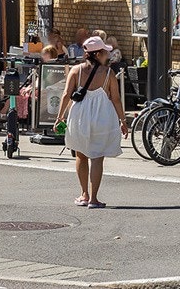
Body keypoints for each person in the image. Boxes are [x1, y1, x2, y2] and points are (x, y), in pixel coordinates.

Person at [54, 35, 126, 208]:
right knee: (97, 157)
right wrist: (123, 120)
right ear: (99, 53)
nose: (107, 56)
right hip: (102, 117)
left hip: (79, 116)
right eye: (105, 53)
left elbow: (65, 95)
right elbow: (116, 99)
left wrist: (59, 117)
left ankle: (84, 194)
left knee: (81, 154)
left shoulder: (76, 71)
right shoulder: (109, 73)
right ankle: (94, 199)